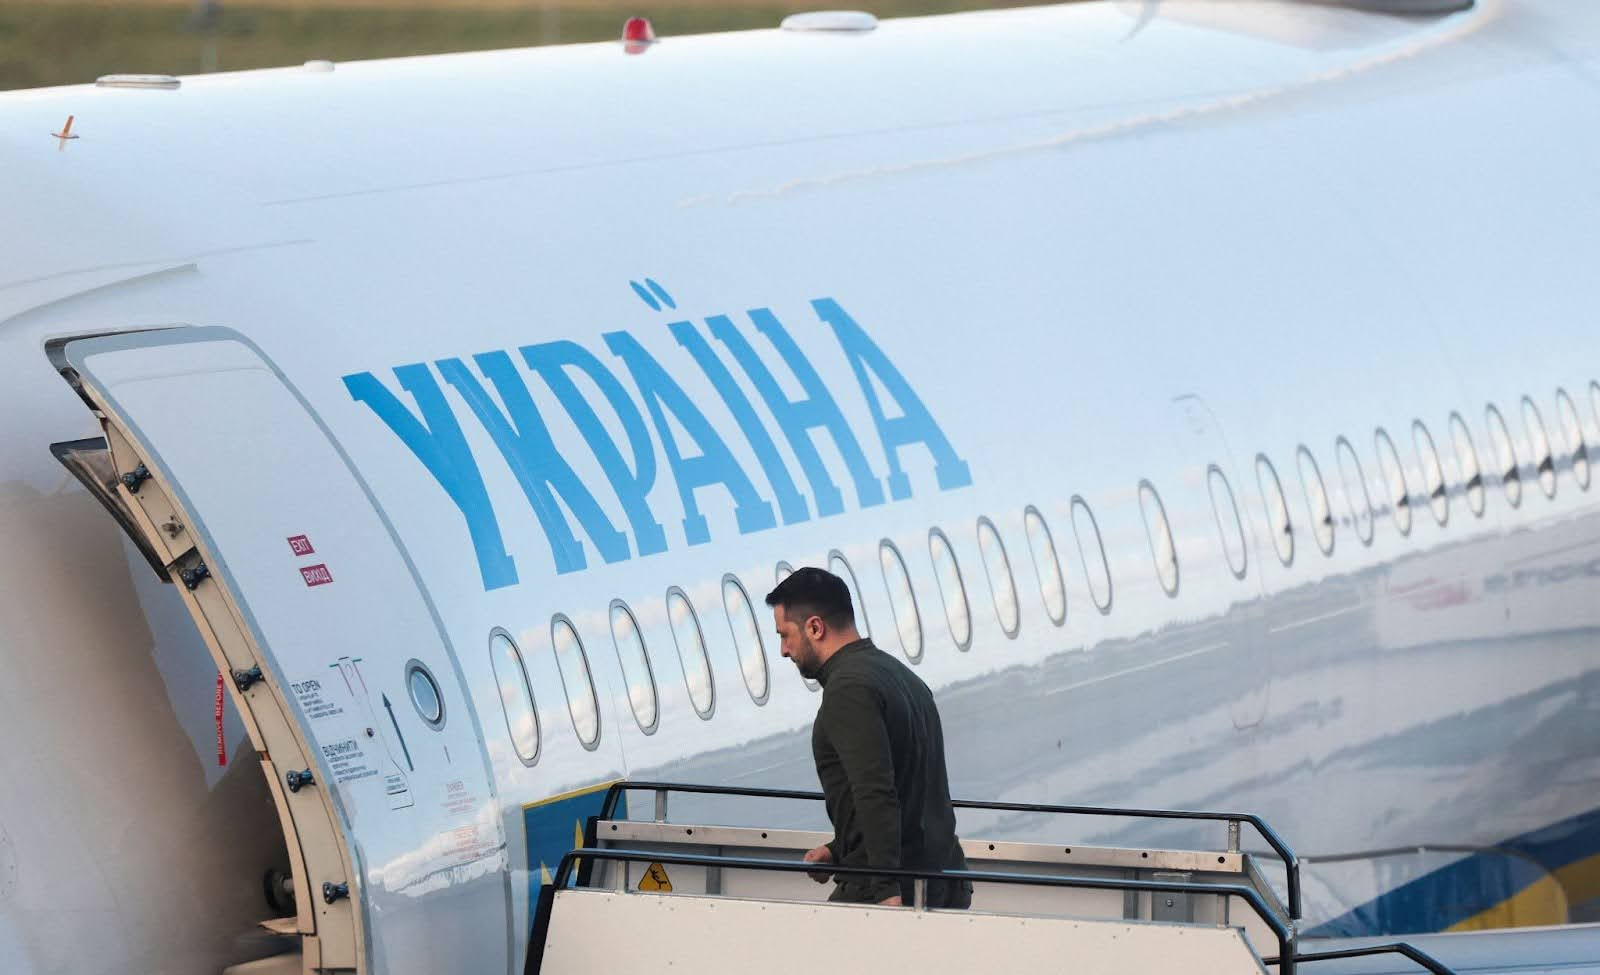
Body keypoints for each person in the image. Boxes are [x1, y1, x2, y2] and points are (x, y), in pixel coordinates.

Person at [765, 566, 971, 909]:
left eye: (785, 635)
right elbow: (911, 790)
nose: (784, 650)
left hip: (890, 889)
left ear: (815, 627)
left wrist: (885, 890)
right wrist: (839, 849)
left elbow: (876, 792)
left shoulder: (848, 690)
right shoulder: (902, 677)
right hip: (944, 878)